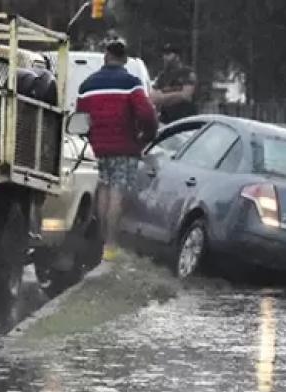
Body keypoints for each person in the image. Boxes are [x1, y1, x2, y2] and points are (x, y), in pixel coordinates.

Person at [75, 38, 159, 262]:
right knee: (117, 194)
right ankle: (111, 246)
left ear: (106, 56)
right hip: (124, 147)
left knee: (102, 191)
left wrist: (88, 139)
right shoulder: (131, 83)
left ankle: (103, 241)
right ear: (124, 59)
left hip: (96, 149)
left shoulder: (87, 86)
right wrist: (146, 137)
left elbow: (80, 121)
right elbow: (147, 114)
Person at [151, 43, 198, 125]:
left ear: (177, 56)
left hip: (187, 121)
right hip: (166, 122)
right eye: (164, 54)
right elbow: (153, 98)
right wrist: (177, 95)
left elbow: (186, 96)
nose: (165, 57)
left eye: (168, 54)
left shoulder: (187, 73)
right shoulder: (161, 76)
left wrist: (163, 97)